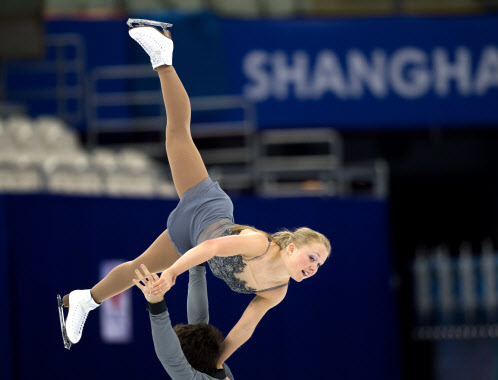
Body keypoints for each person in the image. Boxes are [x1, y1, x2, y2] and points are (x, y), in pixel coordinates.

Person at [61, 19, 331, 367]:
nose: (314, 268)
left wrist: (217, 365)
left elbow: (244, 328)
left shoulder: (277, 291)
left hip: (188, 239)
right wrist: (172, 273)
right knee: (177, 135)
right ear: (291, 247)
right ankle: (163, 58)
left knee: (136, 269)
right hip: (206, 210)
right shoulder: (260, 245)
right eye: (312, 258)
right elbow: (211, 247)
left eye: (320, 264)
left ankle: (83, 300)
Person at [134, 263, 233, 380]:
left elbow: (199, 328)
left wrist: (197, 264)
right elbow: (171, 357)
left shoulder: (216, 365)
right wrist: (156, 304)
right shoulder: (214, 367)